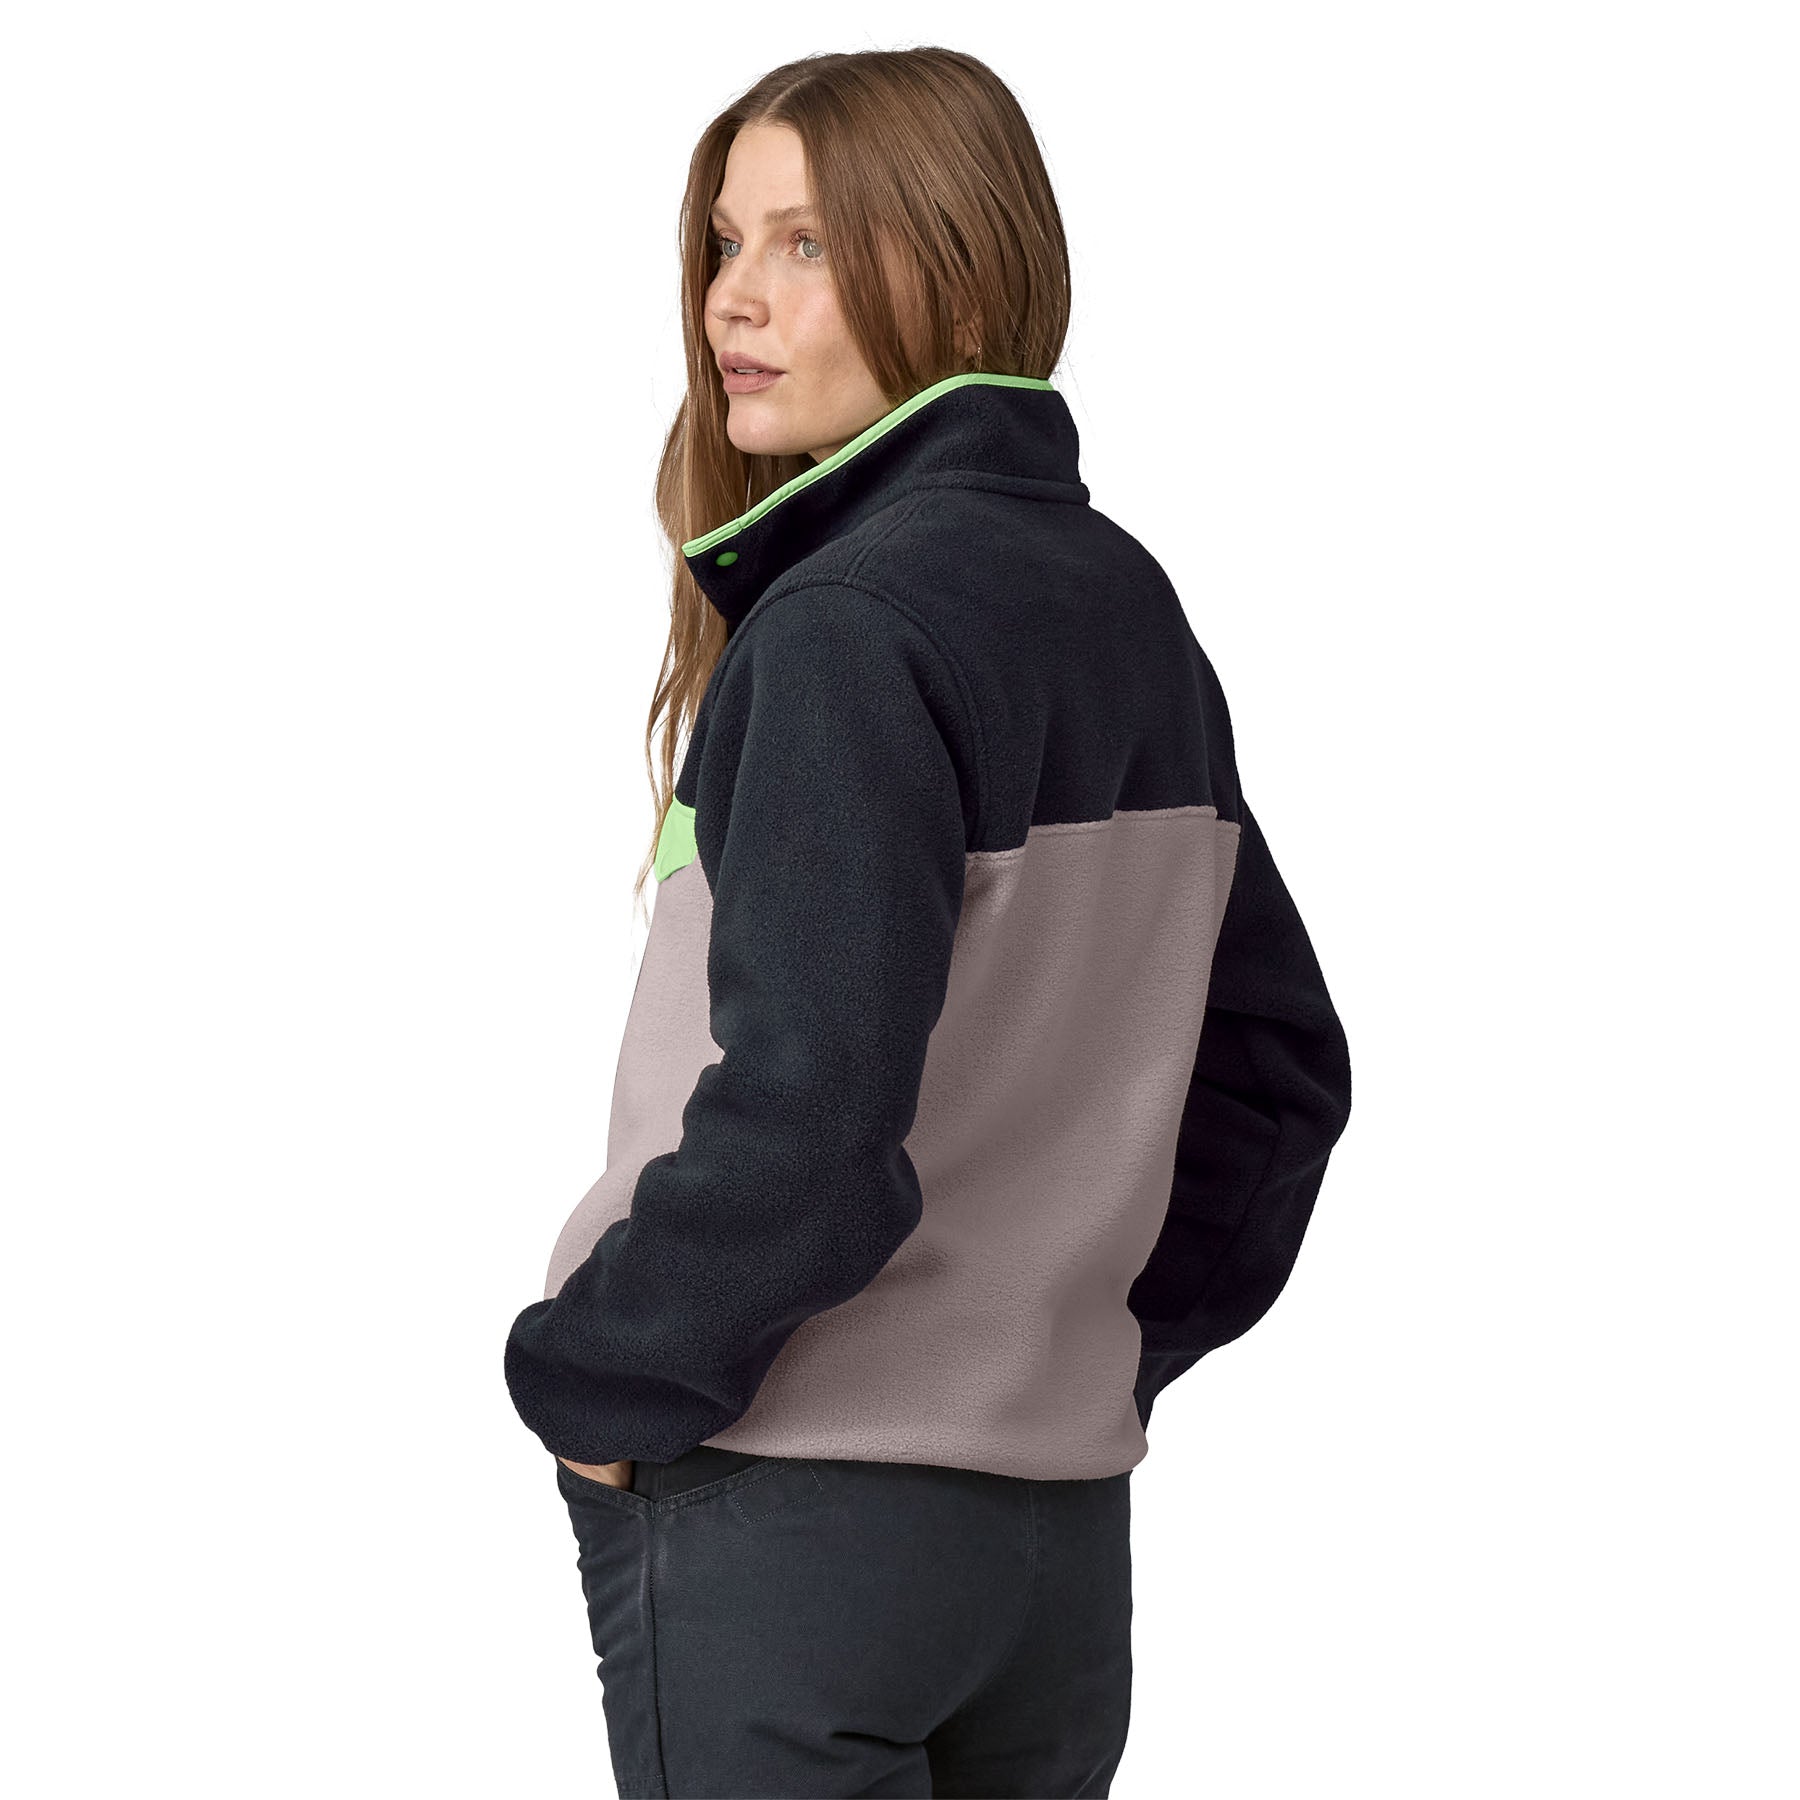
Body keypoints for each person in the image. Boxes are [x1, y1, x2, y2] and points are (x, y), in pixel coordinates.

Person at [502, 45, 1352, 1800]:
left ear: (958, 272)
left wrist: (598, 1381)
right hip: (1050, 1559)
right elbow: (1278, 1078)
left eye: (806, 243)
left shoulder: (843, 633)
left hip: (787, 1521)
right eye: (726, 240)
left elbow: (810, 1130)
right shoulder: (1124, 608)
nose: (733, 299)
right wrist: (1077, 1358)